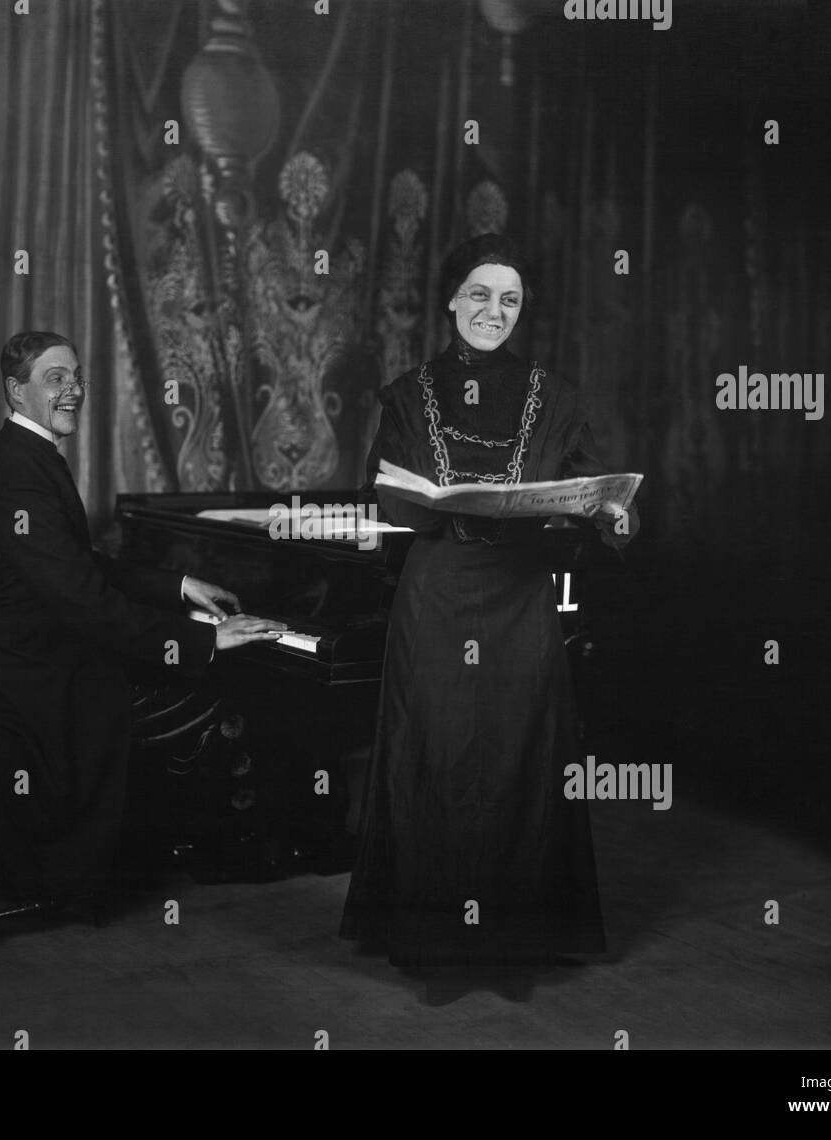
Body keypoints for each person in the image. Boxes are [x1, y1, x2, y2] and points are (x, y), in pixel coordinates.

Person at [339, 234, 638, 1003]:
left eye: (508, 300)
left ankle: (512, 946)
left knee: (518, 761)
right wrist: (427, 503)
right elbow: (386, 502)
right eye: (479, 294)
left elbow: (593, 499)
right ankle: (437, 946)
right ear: (449, 299)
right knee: (435, 754)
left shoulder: (559, 398)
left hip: (520, 598)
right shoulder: (406, 396)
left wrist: (614, 517)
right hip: (435, 592)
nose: (492, 311)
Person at [0, 331, 285, 906]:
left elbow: (79, 563)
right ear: (16, 392)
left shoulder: (28, 456)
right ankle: (192, 844)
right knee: (197, 681)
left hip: (13, 657)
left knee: (179, 674)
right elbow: (83, 599)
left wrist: (180, 585)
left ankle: (190, 835)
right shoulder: (18, 472)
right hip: (13, 677)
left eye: (77, 377)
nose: (74, 390)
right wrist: (203, 639)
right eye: (55, 379)